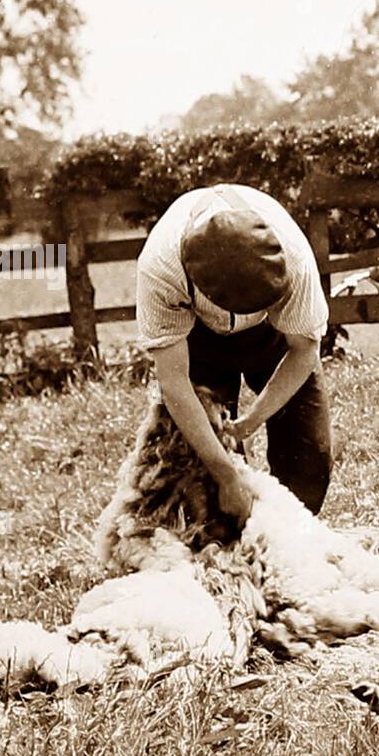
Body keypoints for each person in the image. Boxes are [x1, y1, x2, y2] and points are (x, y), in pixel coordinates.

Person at [135, 183, 333, 518]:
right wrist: (227, 475)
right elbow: (174, 382)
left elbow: (303, 351)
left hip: (274, 333)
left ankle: (292, 538)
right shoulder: (161, 267)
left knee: (310, 452)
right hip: (196, 337)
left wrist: (253, 419)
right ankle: (228, 547)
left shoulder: (295, 257)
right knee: (201, 466)